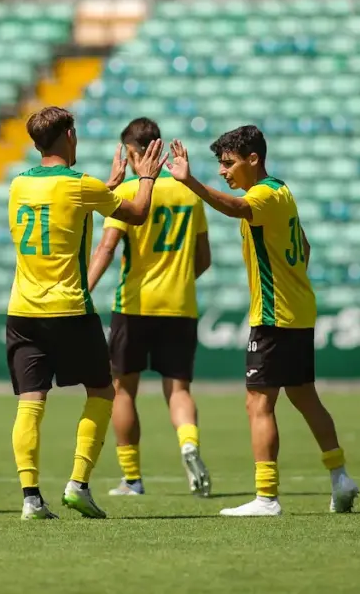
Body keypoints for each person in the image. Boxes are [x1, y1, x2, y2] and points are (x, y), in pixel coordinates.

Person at [166, 126, 360, 517]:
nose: (222, 171)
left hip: (273, 317)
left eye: (228, 163)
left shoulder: (263, 195)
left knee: (258, 402)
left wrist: (191, 182)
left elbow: (235, 208)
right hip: (297, 312)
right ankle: (340, 477)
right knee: (304, 397)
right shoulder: (282, 192)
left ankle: (266, 497)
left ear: (253, 159)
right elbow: (304, 246)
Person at [6, 106, 166, 520]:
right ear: (69, 136)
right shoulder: (81, 185)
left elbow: (64, 206)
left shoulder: (18, 184)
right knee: (102, 392)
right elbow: (137, 213)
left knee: (30, 402)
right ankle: (78, 484)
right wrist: (146, 178)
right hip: (69, 308)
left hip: (22, 310)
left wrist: (106, 188)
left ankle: (30, 499)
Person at [86, 118, 212, 498]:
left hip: (135, 303)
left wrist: (83, 289)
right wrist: (177, 280)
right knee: (179, 390)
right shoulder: (189, 192)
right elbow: (204, 259)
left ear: (133, 152)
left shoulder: (128, 190)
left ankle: (132, 479)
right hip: (180, 305)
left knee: (123, 390)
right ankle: (188, 444)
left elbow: (107, 247)